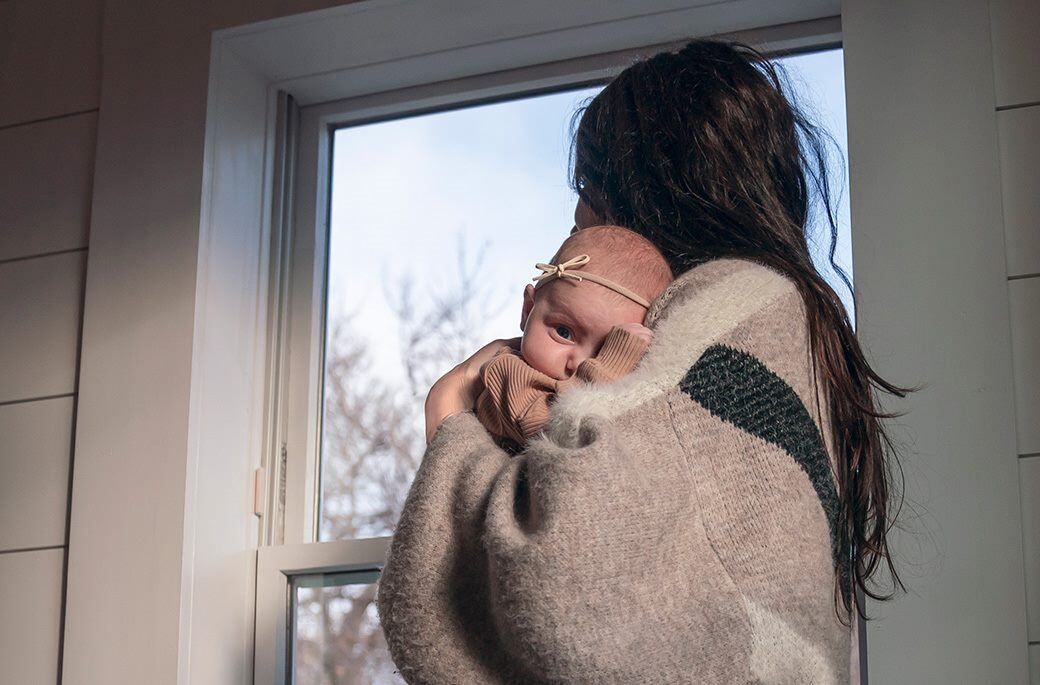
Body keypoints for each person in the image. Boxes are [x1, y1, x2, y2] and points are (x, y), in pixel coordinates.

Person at [378, 39, 907, 684]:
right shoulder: (794, 326)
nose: (578, 211)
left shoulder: (737, 308)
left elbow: (566, 573)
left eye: (591, 187)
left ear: (656, 189)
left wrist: (452, 425)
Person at [472, 224, 673, 450]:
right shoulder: (506, 373)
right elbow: (552, 430)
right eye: (564, 332)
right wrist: (608, 368)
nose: (579, 364)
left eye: (604, 351)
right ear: (528, 310)